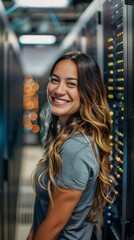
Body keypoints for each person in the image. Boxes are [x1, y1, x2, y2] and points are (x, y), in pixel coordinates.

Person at [26, 51, 115, 240]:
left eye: (71, 84)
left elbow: (54, 225)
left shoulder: (75, 149)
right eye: (55, 80)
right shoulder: (67, 135)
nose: (58, 90)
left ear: (87, 91)